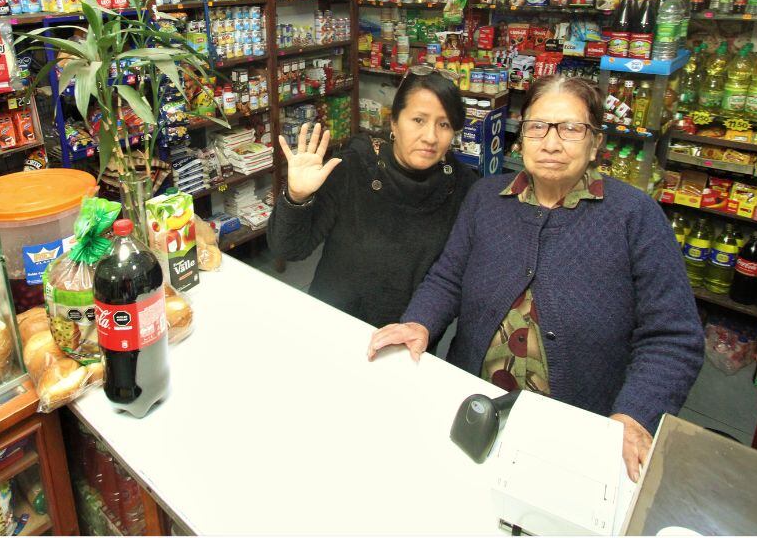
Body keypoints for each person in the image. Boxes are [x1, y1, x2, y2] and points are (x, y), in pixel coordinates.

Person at [367, 75, 703, 481]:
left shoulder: (635, 216)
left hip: (577, 428)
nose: (551, 143)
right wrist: (419, 322)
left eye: (571, 129)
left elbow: (673, 337)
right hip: (475, 404)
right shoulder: (486, 199)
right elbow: (448, 277)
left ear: (595, 142)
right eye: (537, 127)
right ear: (522, 136)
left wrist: (635, 416)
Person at [267, 68, 477, 328]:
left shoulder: (463, 187)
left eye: (444, 124)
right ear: (394, 122)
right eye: (418, 120)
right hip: (335, 324)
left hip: (408, 335)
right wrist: (296, 198)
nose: (430, 137)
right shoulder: (353, 167)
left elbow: (454, 280)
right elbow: (288, 249)